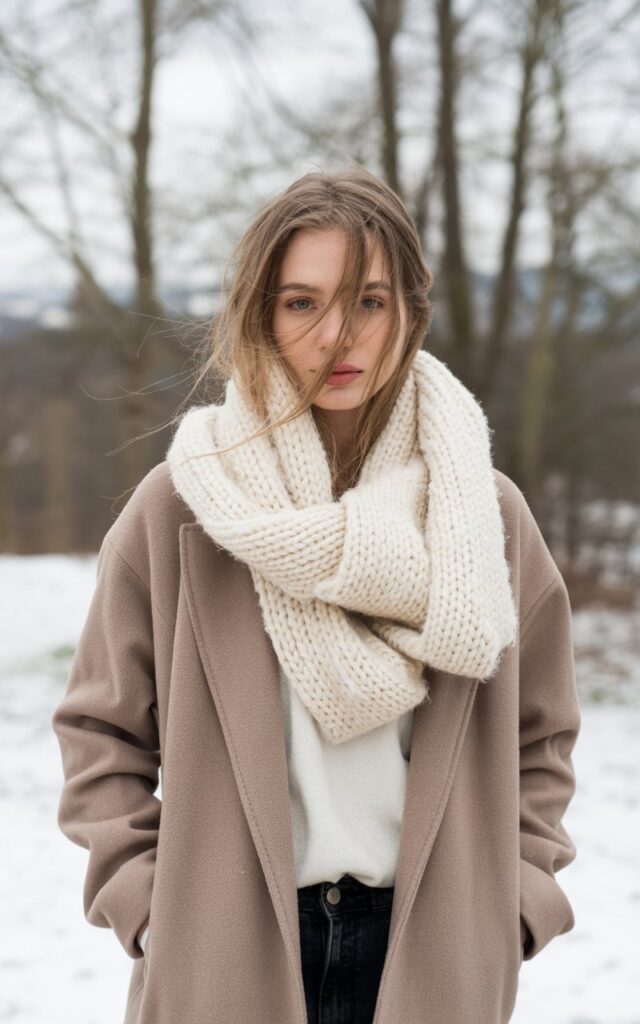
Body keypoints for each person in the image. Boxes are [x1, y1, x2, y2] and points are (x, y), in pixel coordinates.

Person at [51, 164, 581, 1024]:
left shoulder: (485, 515)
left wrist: (513, 901)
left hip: (433, 944)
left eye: (369, 300)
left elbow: (542, 736)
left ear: (411, 310)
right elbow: (100, 732)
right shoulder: (184, 507)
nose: (339, 335)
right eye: (302, 302)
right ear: (261, 314)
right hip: (226, 945)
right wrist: (152, 908)